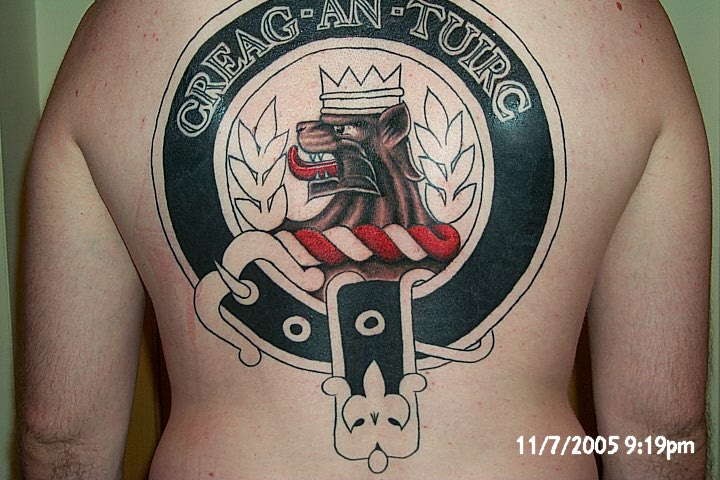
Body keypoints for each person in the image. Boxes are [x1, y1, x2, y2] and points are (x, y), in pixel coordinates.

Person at [19, 0, 710, 478]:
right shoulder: (623, 31)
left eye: (345, 131)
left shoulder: (119, 34)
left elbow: (61, 439)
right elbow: (663, 430)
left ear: (388, 135)